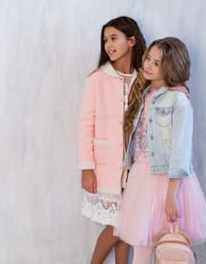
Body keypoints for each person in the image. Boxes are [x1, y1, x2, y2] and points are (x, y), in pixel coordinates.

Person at [114, 37, 206, 264]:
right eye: (148, 58)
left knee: (167, 245)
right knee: (141, 244)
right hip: (141, 177)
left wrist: (171, 197)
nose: (148, 65)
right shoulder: (145, 93)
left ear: (171, 67)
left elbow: (181, 151)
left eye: (156, 63)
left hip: (167, 181)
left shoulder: (178, 100)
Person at [78, 16, 146, 264]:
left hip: (137, 165)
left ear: (132, 40)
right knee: (118, 226)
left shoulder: (144, 78)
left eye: (114, 38)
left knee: (127, 228)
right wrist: (87, 167)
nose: (108, 44)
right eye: (105, 40)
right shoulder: (97, 79)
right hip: (107, 166)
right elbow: (86, 125)